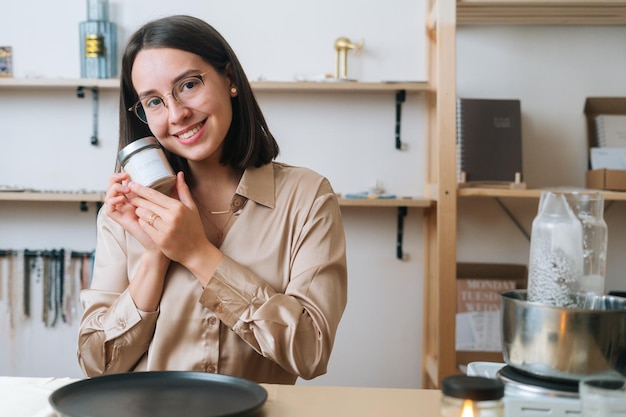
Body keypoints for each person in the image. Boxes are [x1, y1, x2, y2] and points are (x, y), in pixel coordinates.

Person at [77, 15, 348, 385]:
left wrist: (196, 254)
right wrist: (157, 254)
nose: (176, 114)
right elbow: (97, 365)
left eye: (188, 85)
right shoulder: (125, 213)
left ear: (230, 80)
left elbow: (310, 352)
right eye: (154, 102)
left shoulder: (307, 196)